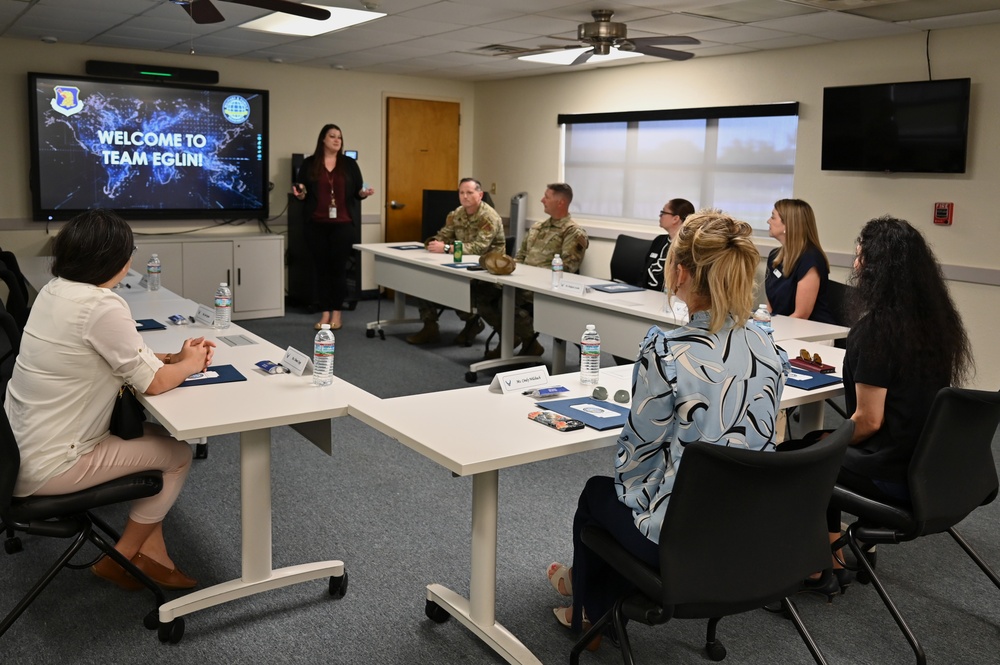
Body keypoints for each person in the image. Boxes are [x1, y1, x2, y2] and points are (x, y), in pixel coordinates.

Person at [547, 211, 788, 644]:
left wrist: (644, 505)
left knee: (599, 495)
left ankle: (591, 612)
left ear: (679, 272)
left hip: (683, 543)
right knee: (642, 500)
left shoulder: (668, 351)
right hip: (752, 530)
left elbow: (637, 457)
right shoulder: (768, 345)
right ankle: (584, 587)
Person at [3, 209, 217, 591]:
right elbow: (152, 384)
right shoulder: (102, 305)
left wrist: (172, 358)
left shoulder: (56, 290)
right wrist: (193, 363)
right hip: (54, 462)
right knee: (178, 454)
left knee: (155, 440)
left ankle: (155, 556)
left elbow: (109, 353)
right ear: (118, 259)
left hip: (17, 449)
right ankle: (119, 558)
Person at [799, 216, 973, 598]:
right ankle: (850, 547)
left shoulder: (878, 328)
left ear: (874, 268)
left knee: (804, 453)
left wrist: (831, 443)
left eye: (860, 257)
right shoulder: (936, 323)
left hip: (892, 471)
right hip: (930, 467)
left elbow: (868, 421)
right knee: (818, 437)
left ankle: (824, 564)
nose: (855, 265)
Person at [476, 183, 589, 358]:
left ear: (560, 202)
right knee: (482, 292)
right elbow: (520, 258)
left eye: (547, 197)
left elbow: (566, 268)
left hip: (543, 289)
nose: (542, 200)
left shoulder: (573, 232)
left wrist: (526, 279)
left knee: (505, 301)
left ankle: (526, 342)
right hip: (521, 283)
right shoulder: (537, 227)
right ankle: (515, 339)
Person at [293, 124, 374, 330]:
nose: (337, 140)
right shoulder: (310, 164)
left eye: (339, 137)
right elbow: (302, 192)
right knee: (321, 270)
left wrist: (363, 194)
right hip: (316, 225)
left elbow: (357, 191)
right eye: (332, 136)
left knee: (338, 270)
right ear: (323, 139)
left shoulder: (349, 164)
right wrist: (300, 193)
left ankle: (337, 313)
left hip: (343, 225)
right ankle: (325, 313)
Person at [406, 178, 506, 346]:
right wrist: (433, 243)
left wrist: (446, 248)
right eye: (461, 193)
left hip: (485, 269)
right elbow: (443, 235)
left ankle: (473, 322)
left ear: (480, 194)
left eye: (469, 192)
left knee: (456, 287)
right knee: (423, 279)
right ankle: (430, 326)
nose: (464, 196)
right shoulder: (457, 213)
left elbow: (479, 248)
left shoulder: (488, 217)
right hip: (461, 265)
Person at [764, 199, 835, 323]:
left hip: (813, 331)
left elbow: (801, 315)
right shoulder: (774, 256)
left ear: (788, 224)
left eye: (773, 217)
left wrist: (772, 331)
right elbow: (770, 308)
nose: (768, 221)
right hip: (784, 327)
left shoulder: (811, 259)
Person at [641, 198, 694, 290]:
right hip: (646, 293)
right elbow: (643, 272)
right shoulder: (659, 240)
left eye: (663, 212)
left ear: (675, 218)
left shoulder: (687, 246)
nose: (660, 215)